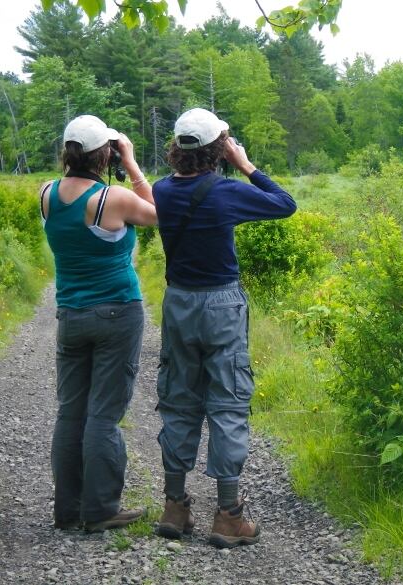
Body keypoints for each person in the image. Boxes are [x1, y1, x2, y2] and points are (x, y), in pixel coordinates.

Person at [152, 108, 296, 548]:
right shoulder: (227, 192)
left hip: (178, 303)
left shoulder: (162, 190)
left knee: (178, 399)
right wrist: (246, 164)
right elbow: (284, 204)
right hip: (221, 304)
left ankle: (175, 507)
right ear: (221, 149)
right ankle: (228, 515)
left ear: (177, 148)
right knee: (228, 403)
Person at [42, 114, 157, 532]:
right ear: (104, 153)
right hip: (117, 312)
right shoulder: (114, 198)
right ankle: (101, 510)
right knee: (103, 416)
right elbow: (160, 214)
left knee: (70, 413)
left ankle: (67, 510)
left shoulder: (46, 194)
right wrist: (131, 164)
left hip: (69, 314)